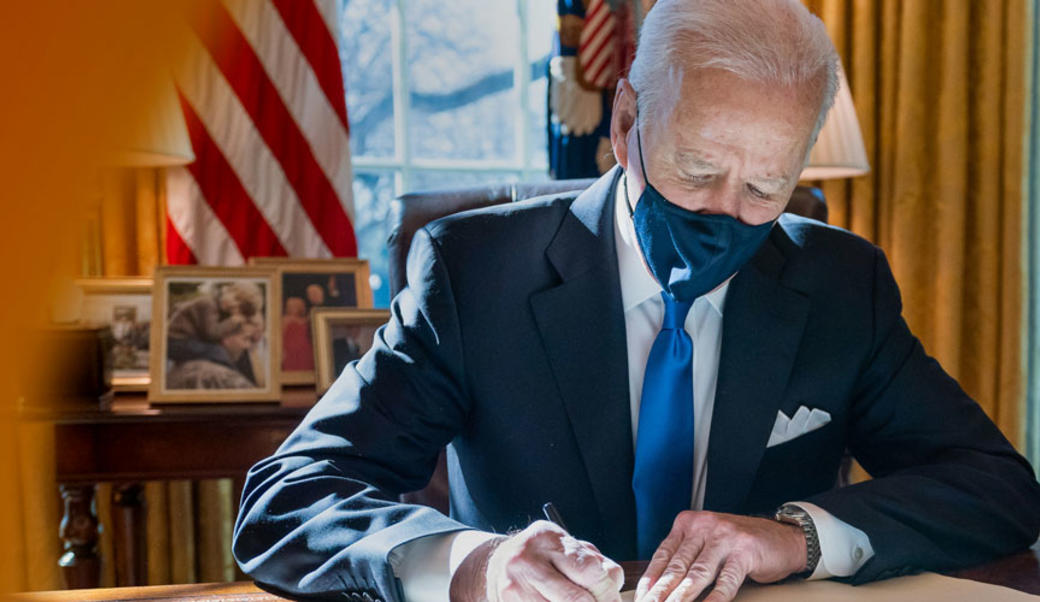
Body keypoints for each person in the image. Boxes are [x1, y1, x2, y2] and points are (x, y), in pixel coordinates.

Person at [232, 1, 1040, 601]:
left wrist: (794, 536)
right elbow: (289, 499)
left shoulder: (839, 283)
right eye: (694, 169)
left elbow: (997, 488)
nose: (725, 211)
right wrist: (472, 565)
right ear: (626, 122)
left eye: (766, 185)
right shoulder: (475, 273)